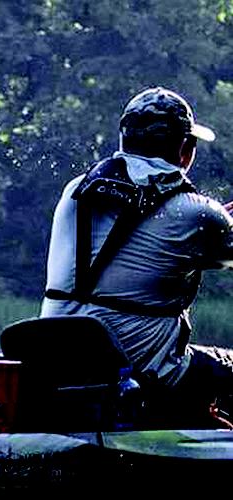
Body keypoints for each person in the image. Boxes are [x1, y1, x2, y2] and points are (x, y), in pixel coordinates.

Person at [40, 86, 233, 428]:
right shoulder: (198, 214)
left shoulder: (75, 191)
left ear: (124, 139)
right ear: (184, 149)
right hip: (143, 374)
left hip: (59, 360)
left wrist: (216, 221)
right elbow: (214, 247)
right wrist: (220, 221)